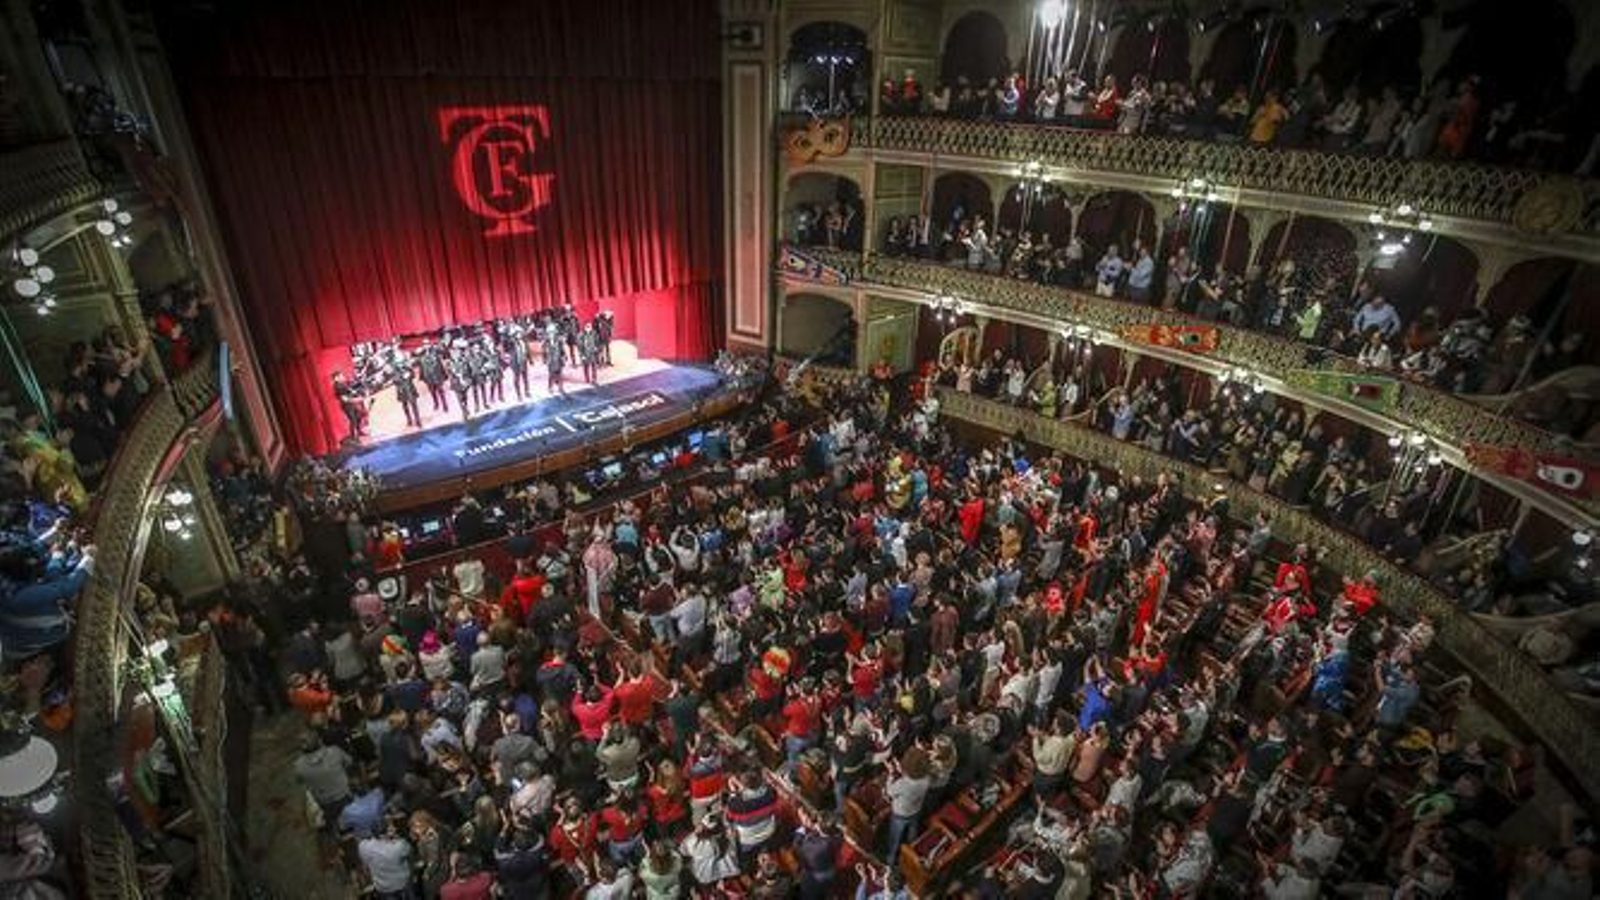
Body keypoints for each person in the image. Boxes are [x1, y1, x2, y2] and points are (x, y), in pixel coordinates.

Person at [332, 370, 366, 442]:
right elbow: (344, 399)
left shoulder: (343, 384)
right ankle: (353, 436)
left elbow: (350, 389)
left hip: (351, 403)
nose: (342, 377)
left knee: (359, 415)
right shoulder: (338, 387)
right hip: (347, 405)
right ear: (336, 378)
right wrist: (357, 399)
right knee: (352, 420)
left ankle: (359, 431)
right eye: (341, 376)